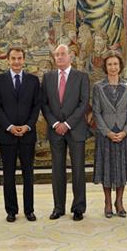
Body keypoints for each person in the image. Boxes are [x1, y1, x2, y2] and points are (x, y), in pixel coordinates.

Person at [0, 47, 41, 223]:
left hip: (28, 135)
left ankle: (29, 210)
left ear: (24, 60)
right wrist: (10, 126)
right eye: (13, 58)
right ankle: (11, 210)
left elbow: (37, 106)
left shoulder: (33, 80)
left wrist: (28, 126)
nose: (16, 62)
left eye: (20, 58)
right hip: (7, 135)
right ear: (8, 60)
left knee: (28, 174)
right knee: (8, 174)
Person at [42, 44, 90, 221]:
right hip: (55, 130)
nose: (60, 57)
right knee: (57, 170)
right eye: (57, 55)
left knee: (78, 170)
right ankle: (58, 207)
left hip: (75, 129)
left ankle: (78, 207)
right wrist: (55, 123)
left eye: (63, 54)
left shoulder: (81, 77)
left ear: (70, 56)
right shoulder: (47, 78)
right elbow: (44, 104)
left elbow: (84, 103)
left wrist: (67, 123)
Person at [92, 51, 127, 218]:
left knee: (121, 169)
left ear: (120, 67)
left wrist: (126, 131)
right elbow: (96, 113)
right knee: (106, 169)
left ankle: (119, 202)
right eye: (110, 64)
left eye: (116, 64)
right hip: (106, 135)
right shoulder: (98, 86)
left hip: (124, 135)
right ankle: (107, 202)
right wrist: (107, 132)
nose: (113, 67)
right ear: (105, 67)